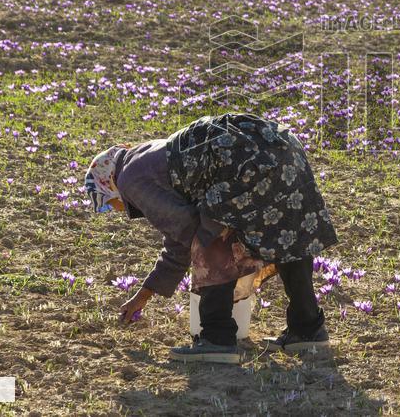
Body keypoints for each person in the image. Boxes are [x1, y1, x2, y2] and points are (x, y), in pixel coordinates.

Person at [84, 112, 338, 364]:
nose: (117, 209)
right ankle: (308, 330)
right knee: (287, 234)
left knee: (209, 237)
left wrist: (149, 289)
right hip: (281, 146)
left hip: (245, 162)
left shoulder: (129, 177)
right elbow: (177, 234)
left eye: (109, 203)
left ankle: (217, 338)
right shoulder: (148, 155)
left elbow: (186, 232)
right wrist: (145, 293)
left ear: (109, 183)